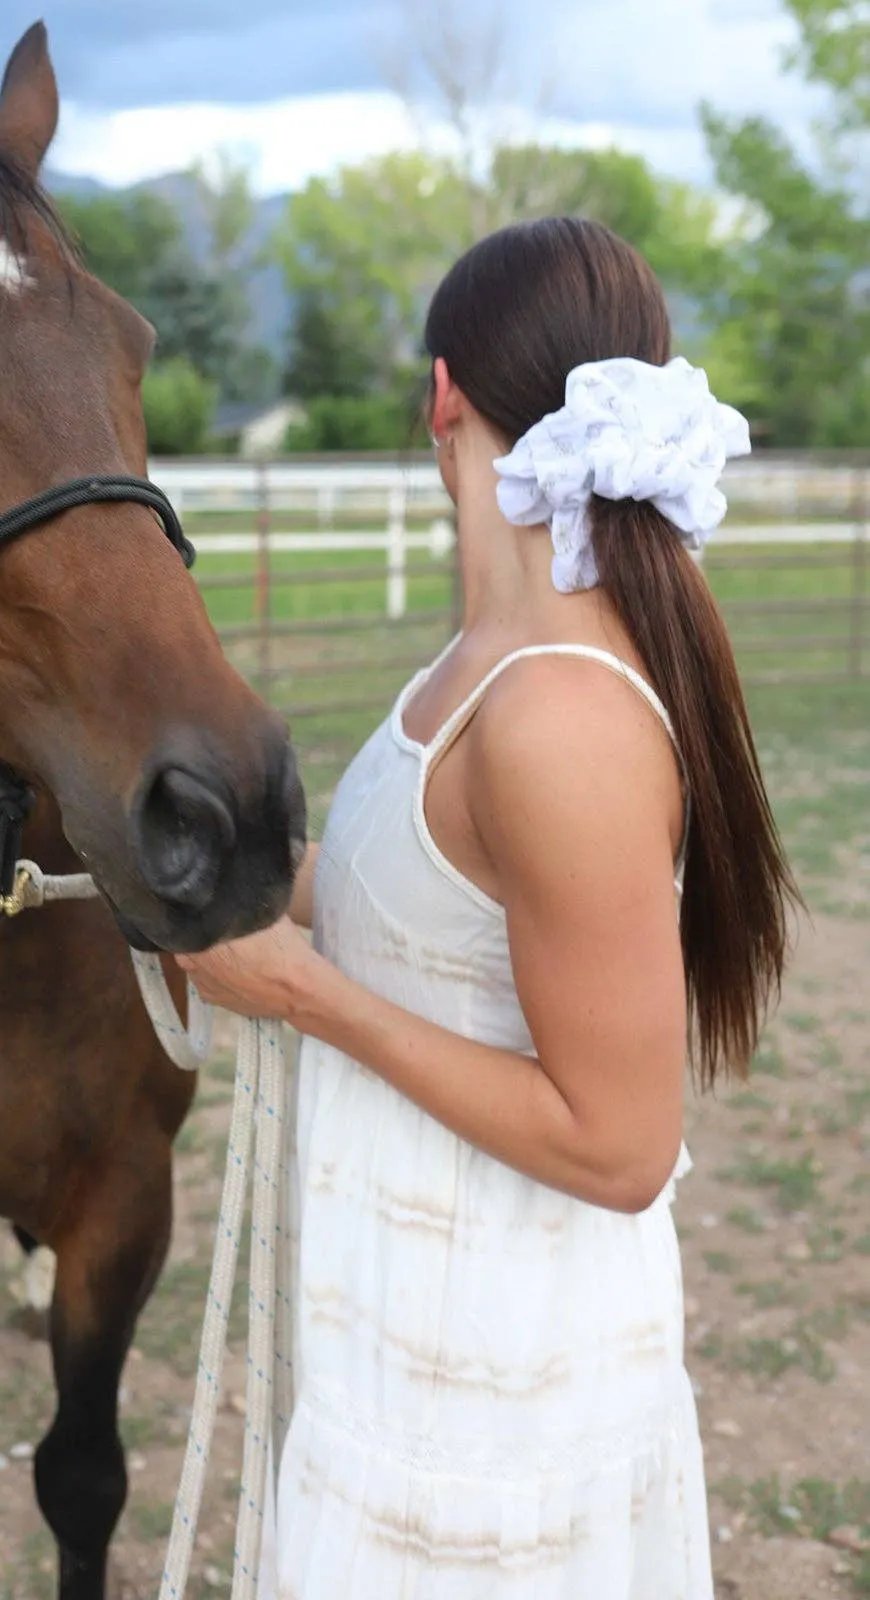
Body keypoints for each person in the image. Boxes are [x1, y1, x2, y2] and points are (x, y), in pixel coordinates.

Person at [175, 217, 794, 1598]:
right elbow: (411, 914)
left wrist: (304, 997)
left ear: (440, 394)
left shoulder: (558, 713)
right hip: (395, 1322)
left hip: (499, 1375)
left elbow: (621, 1145)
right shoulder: (478, 660)